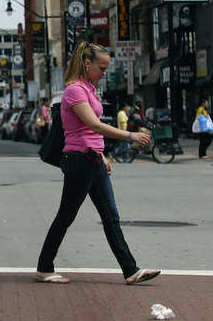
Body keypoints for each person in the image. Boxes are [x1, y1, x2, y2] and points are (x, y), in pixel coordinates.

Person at [35, 41, 160, 285]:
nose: (104, 73)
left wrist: (103, 155)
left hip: (93, 159)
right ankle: (44, 267)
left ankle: (131, 270)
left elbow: (88, 132)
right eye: (101, 68)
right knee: (66, 215)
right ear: (87, 63)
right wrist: (130, 135)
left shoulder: (90, 89)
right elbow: (93, 125)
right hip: (79, 160)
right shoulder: (75, 91)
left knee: (111, 217)